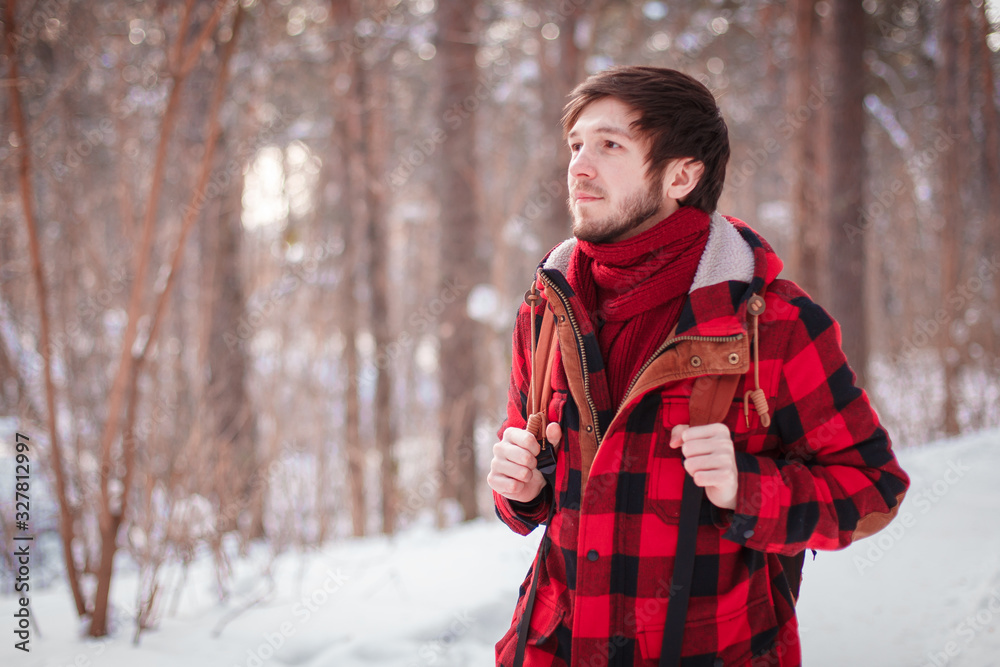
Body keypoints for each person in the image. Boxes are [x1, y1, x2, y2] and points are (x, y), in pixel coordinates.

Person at [488, 66, 910, 667]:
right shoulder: (548, 309)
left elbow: (874, 491)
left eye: (610, 145)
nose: (579, 166)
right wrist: (522, 490)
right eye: (576, 145)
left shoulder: (774, 323)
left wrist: (746, 487)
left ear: (682, 174)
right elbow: (534, 492)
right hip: (554, 648)